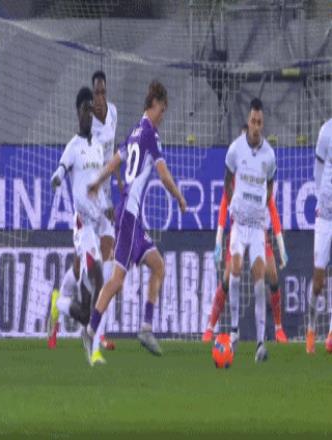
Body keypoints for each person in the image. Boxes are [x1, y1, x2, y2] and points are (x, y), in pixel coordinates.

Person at [83, 80, 186, 361]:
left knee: (158, 265)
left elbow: (114, 162)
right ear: (154, 104)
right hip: (129, 215)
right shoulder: (150, 133)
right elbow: (163, 175)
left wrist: (98, 182)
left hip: (133, 218)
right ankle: (91, 329)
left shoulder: (134, 131)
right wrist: (179, 197)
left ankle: (146, 328)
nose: (162, 116)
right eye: (162, 110)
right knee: (117, 280)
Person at [48, 71, 118, 354]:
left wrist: (114, 190)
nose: (99, 100)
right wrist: (58, 175)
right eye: (95, 94)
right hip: (85, 216)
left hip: (102, 205)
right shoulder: (79, 142)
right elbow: (65, 166)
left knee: (105, 265)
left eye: (103, 93)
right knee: (88, 271)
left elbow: (109, 162)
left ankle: (96, 329)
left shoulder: (112, 115)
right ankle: (86, 323)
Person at [202, 126, 289, 344]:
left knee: (273, 275)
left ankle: (278, 328)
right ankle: (210, 326)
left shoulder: (259, 177)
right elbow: (223, 207)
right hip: (238, 232)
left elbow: (272, 209)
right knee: (228, 278)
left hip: (258, 231)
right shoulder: (233, 179)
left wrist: (281, 247)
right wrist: (218, 242)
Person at [223, 98, 276, 362]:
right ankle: (234, 332)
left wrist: (261, 206)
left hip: (257, 227)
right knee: (234, 268)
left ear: (263, 124)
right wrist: (233, 205)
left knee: (259, 279)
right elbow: (227, 180)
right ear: (248, 121)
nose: (256, 126)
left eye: (259, 122)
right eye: (253, 121)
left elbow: (270, 185)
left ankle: (260, 343)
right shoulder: (235, 149)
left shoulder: (269, 155)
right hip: (240, 223)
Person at [306, 118, 332, 354]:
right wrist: (319, 197)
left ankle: (331, 334)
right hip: (325, 215)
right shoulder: (326, 131)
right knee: (318, 280)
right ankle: (311, 328)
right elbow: (318, 170)